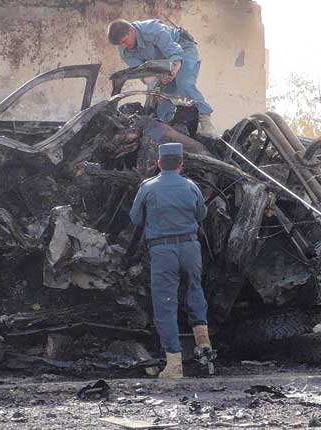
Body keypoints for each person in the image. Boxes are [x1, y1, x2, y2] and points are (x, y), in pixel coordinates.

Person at [129, 142, 212, 379]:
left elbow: (135, 218)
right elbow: (202, 214)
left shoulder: (148, 187)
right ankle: (204, 346)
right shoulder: (191, 186)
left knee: (165, 303)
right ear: (181, 164)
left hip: (163, 251)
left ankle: (174, 365)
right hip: (190, 247)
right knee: (195, 291)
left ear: (158, 163)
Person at [107, 18, 217, 137]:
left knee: (184, 84)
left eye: (124, 41)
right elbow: (145, 73)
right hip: (162, 64)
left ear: (131, 30)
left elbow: (175, 54)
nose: (123, 46)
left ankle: (205, 121)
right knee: (161, 101)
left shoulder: (153, 30)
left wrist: (171, 72)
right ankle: (172, 131)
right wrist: (157, 81)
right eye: (120, 44)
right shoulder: (124, 51)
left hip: (182, 49)